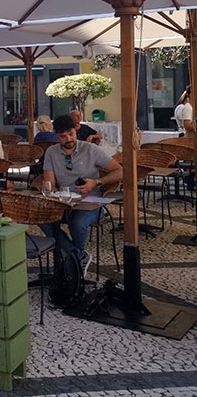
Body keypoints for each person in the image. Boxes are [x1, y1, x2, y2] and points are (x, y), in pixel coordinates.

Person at [39, 114, 122, 276]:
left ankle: (73, 260)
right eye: (63, 136)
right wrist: (57, 196)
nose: (68, 139)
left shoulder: (91, 149)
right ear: (57, 136)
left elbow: (120, 171)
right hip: (64, 202)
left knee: (76, 223)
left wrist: (96, 182)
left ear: (76, 130)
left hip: (90, 202)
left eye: (71, 134)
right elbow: (50, 184)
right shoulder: (51, 152)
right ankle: (79, 256)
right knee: (42, 220)